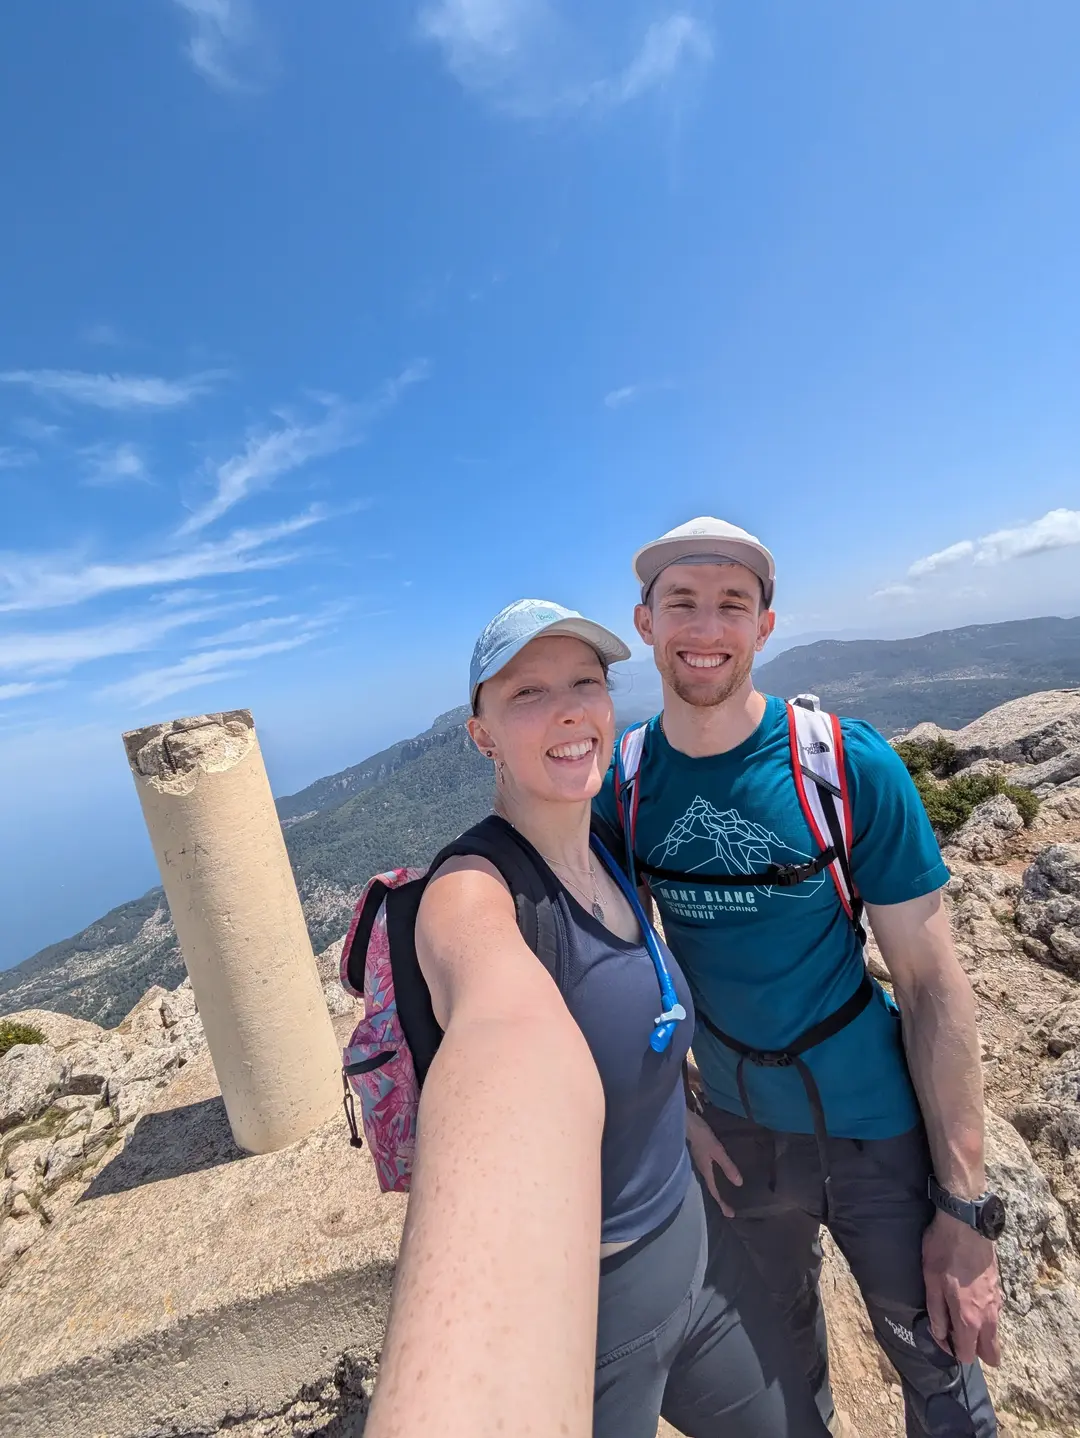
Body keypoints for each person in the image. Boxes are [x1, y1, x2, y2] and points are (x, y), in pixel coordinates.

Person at [366, 598, 828, 1438]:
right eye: (528, 693)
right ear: (482, 736)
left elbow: (630, 1018)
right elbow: (506, 1042)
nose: (570, 709)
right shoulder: (471, 895)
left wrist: (678, 1118)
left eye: (586, 682)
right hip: (591, 1323)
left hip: (699, 1255)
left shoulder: (607, 850)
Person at [593, 518, 1006, 1438]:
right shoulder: (624, 784)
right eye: (681, 604)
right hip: (736, 1143)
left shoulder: (844, 765)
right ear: (646, 623)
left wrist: (964, 1208)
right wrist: (678, 1115)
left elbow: (931, 986)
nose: (706, 628)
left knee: (945, 1389)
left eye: (732, 604)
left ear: (765, 625)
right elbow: (611, 970)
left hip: (877, 1135)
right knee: (783, 1385)